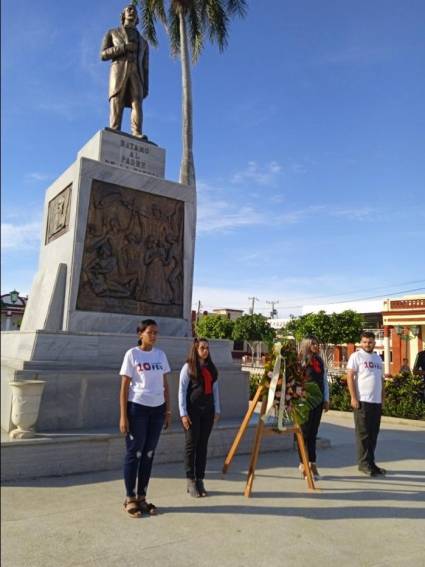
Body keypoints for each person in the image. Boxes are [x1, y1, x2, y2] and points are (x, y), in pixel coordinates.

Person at [119, 319, 171, 517]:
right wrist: (123, 416)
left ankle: (142, 496)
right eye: (150, 332)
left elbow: (165, 383)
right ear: (140, 333)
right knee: (135, 454)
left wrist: (168, 410)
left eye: (156, 333)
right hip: (137, 409)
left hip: (157, 410)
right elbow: (124, 387)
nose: (154, 336)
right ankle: (130, 498)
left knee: (149, 453)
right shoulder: (132, 354)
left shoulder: (160, 355)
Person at [178, 338, 221, 497]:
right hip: (192, 412)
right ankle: (190, 480)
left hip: (208, 412)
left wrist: (217, 409)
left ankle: (200, 479)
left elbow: (215, 389)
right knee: (191, 446)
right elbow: (182, 391)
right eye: (202, 348)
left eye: (207, 348)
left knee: (203, 446)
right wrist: (183, 413)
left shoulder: (211, 368)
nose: (205, 350)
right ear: (195, 349)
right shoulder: (188, 367)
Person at [101, 4, 149, 138]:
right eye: (129, 9)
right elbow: (103, 54)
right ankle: (115, 128)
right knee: (117, 99)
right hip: (119, 69)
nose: (132, 11)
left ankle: (137, 132)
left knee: (137, 102)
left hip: (137, 73)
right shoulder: (112, 32)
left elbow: (145, 67)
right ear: (123, 15)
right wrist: (124, 47)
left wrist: (146, 86)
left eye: (134, 10)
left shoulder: (144, 42)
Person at [346, 331, 386, 477]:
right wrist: (353, 398)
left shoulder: (377, 358)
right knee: (363, 434)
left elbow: (381, 379)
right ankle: (363, 464)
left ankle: (371, 462)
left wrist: (382, 398)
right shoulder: (356, 356)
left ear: (374, 343)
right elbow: (350, 376)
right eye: (364, 342)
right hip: (362, 400)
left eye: (370, 342)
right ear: (360, 343)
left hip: (376, 401)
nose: (367, 344)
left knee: (373, 434)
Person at [297, 335, 330, 480]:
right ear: (306, 345)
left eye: (317, 344)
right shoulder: (301, 361)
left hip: (318, 401)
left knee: (313, 434)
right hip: (305, 401)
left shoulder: (320, 361)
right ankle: (303, 464)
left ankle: (312, 463)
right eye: (313, 344)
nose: (316, 346)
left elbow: (324, 380)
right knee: (303, 434)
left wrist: (326, 399)